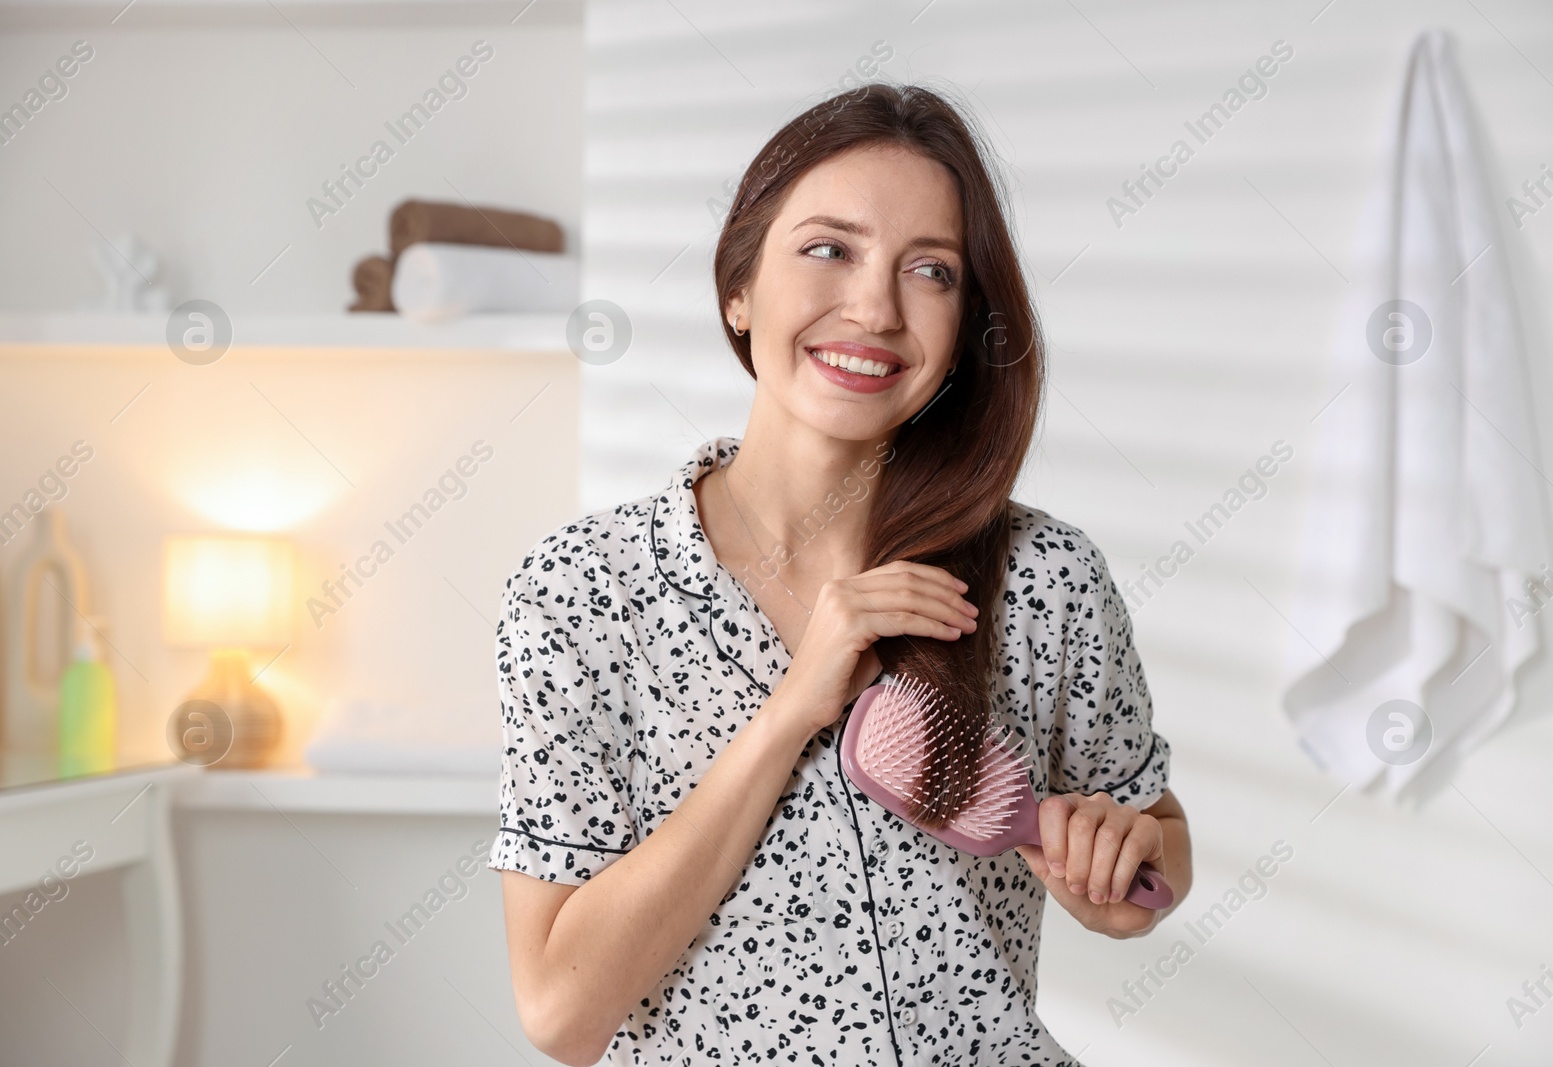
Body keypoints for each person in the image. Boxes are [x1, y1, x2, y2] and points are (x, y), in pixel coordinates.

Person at [490, 82, 1192, 1067]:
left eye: (932, 271)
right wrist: (790, 710)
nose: (874, 306)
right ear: (739, 287)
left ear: (960, 328)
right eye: (828, 249)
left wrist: (1119, 871)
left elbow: (1152, 827)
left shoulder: (1045, 576)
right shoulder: (583, 590)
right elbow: (562, 1013)